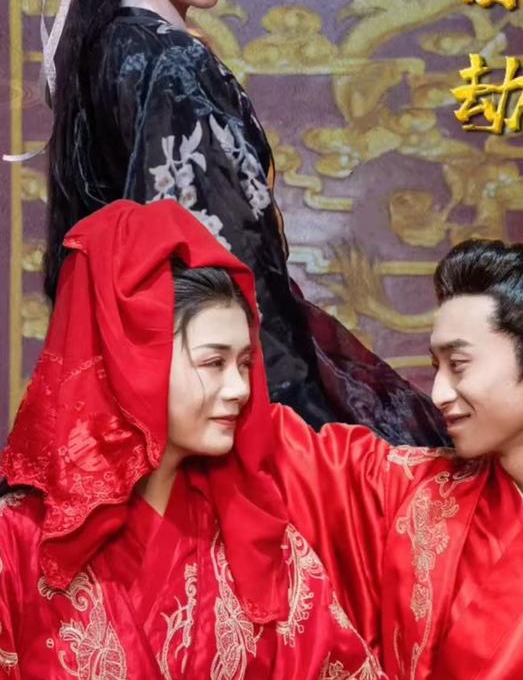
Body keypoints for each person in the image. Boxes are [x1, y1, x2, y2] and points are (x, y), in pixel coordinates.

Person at [40, 0, 445, 444]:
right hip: (214, 375)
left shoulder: (112, 43)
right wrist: (301, 411)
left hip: (160, 375)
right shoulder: (164, 59)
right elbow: (221, 255)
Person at [0, 199, 385, 679]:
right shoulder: (16, 541)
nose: (240, 389)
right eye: (213, 363)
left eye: (245, 364)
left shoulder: (255, 539)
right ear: (133, 365)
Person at [270, 223, 523, 679]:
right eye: (436, 366)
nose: (439, 393)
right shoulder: (410, 494)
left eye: (459, 365)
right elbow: (279, 451)